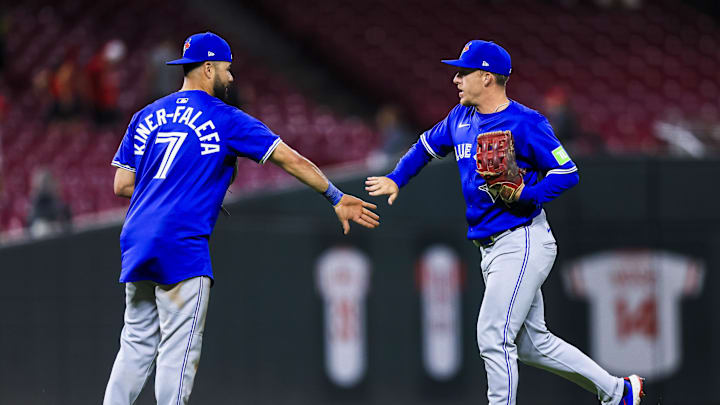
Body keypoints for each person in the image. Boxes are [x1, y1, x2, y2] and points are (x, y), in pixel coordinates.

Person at [104, 32, 380, 405]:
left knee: (135, 343)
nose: (231, 78)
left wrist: (175, 189)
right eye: (227, 69)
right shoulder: (226, 118)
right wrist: (334, 195)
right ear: (208, 68)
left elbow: (123, 184)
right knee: (178, 350)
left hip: (136, 238)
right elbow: (289, 159)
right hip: (181, 243)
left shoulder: (146, 115)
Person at [365, 40, 644, 405]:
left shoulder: (526, 123)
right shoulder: (460, 118)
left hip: (522, 239)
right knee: (532, 343)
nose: (455, 79)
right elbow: (424, 146)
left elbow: (567, 171)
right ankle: (619, 391)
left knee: (493, 337)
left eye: (464, 72)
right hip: (491, 246)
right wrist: (397, 178)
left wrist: (528, 195)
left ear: (486, 77)